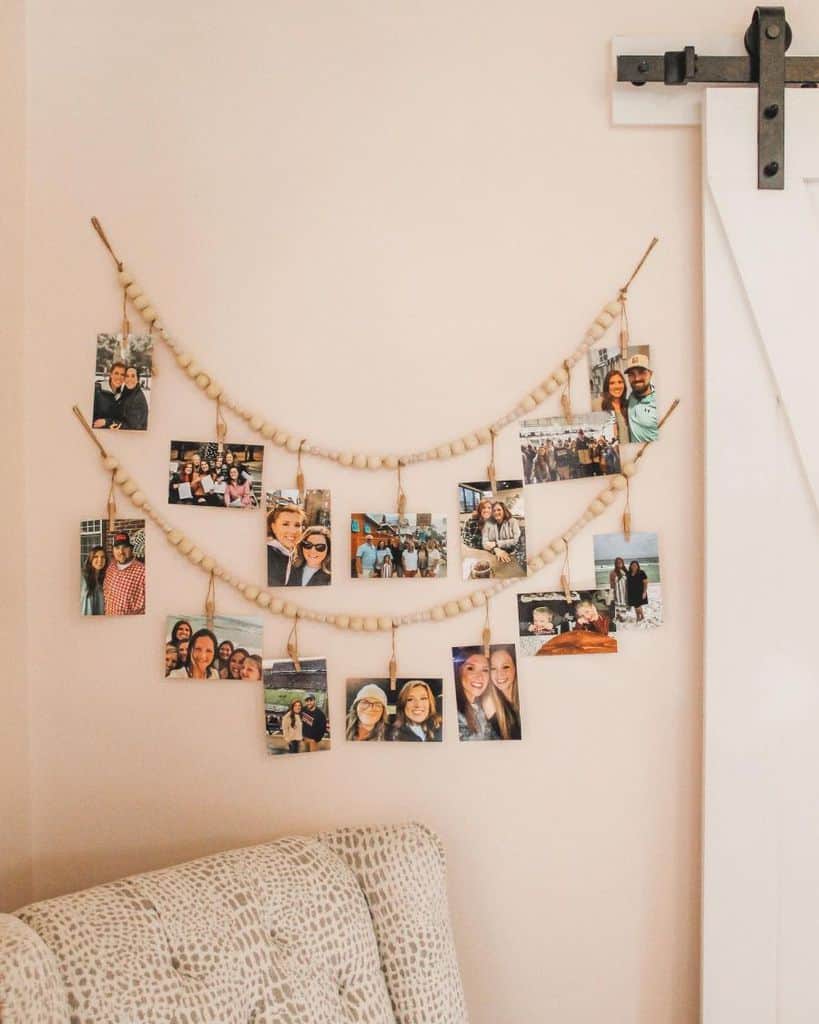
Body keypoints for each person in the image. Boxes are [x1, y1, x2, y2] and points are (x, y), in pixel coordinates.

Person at [455, 651, 498, 741]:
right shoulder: (457, 715)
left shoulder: (479, 705)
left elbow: (492, 735)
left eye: (485, 670)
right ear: (459, 672)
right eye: (471, 668)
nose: (479, 677)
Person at [102, 532, 145, 616]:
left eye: (125, 547)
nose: (121, 551)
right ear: (113, 550)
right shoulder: (110, 567)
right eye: (117, 548)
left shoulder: (142, 572)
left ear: (131, 549)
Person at [267, 502, 306, 586]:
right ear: (273, 527)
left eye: (297, 525)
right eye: (285, 524)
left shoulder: (294, 554)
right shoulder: (268, 555)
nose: (292, 531)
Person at [486, 646, 521, 740]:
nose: (499, 675)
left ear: (516, 668)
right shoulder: (491, 706)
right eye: (493, 668)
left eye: (505, 667)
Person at [624, 354, 658, 442]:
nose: (637, 378)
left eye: (641, 372)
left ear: (650, 374)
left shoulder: (659, 402)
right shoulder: (631, 397)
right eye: (631, 374)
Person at [481, 501, 522, 569]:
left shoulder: (512, 521)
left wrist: (497, 543)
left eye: (499, 510)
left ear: (504, 510)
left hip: (511, 555)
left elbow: (516, 540)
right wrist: (496, 549)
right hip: (494, 555)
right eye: (494, 511)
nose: (496, 512)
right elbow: (484, 542)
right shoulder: (488, 523)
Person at [598, 369, 630, 442]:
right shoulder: (599, 406)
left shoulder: (628, 405)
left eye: (620, 382)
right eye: (612, 383)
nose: (617, 386)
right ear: (607, 386)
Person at [92, 361, 126, 428]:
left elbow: (121, 420)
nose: (119, 377)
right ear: (110, 374)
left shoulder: (123, 395)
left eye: (122, 374)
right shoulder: (97, 389)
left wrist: (106, 422)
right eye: (116, 373)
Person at [80, 545, 107, 616]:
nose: (100, 560)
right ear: (90, 559)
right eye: (96, 557)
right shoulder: (82, 578)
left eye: (103, 557)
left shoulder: (105, 579)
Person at [609, 557, 628, 621]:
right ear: (615, 564)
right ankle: (619, 616)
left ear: (622, 563)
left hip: (624, 590)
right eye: (617, 563)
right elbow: (611, 583)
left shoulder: (626, 571)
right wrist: (612, 591)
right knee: (618, 603)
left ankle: (620, 616)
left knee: (624, 603)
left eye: (620, 562)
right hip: (617, 590)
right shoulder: (613, 572)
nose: (619, 564)